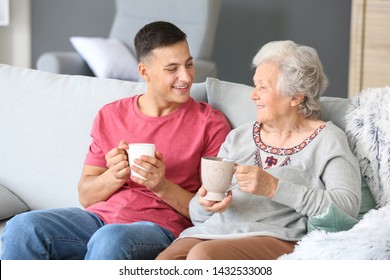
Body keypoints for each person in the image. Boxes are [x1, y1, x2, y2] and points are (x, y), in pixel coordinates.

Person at [0, 21, 231, 260]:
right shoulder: (111, 115)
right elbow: (86, 196)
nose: (186, 76)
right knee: (22, 227)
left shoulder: (209, 123)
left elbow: (212, 212)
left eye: (189, 64)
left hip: (160, 229)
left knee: (110, 239)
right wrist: (114, 176)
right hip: (97, 220)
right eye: (172, 68)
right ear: (144, 72)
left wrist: (161, 185)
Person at [157, 40, 361, 260]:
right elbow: (197, 215)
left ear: (296, 96)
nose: (253, 95)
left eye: (263, 87)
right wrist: (206, 204)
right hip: (208, 233)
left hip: (275, 237)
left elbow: (346, 206)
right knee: (164, 262)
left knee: (203, 257)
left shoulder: (327, 139)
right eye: (255, 85)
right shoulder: (239, 137)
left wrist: (274, 187)